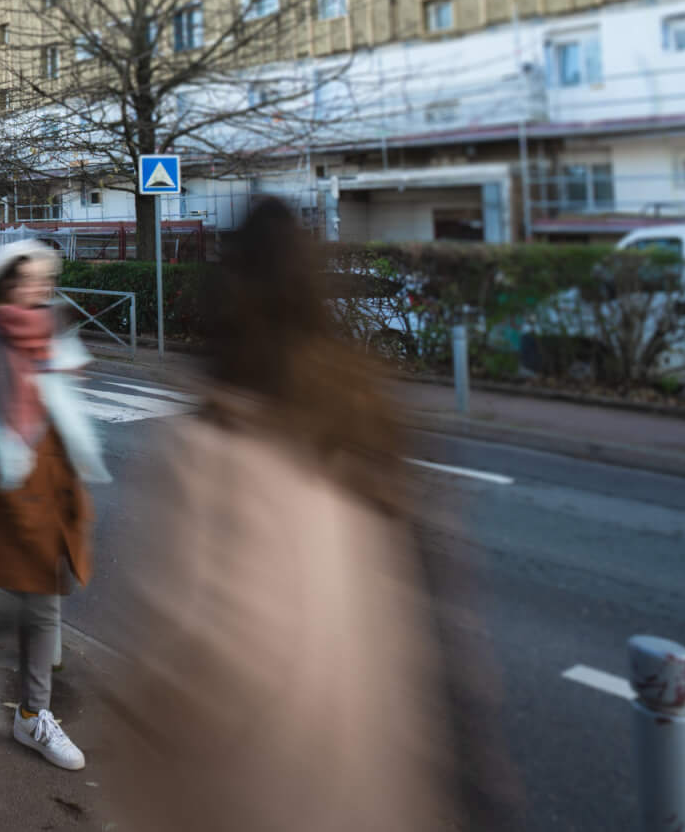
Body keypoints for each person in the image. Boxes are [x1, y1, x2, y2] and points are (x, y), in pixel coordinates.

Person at [99, 196, 463, 831]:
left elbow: (199, 658)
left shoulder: (216, 443)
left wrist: (125, 733)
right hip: (382, 793)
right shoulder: (365, 425)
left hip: (259, 795)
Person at [0, 239, 107, 770]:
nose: (39, 286)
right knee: (42, 598)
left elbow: (64, 403)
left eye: (44, 277)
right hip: (12, 491)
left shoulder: (53, 328)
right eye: (28, 278)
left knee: (54, 588)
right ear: (6, 282)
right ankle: (33, 716)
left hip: (57, 486)